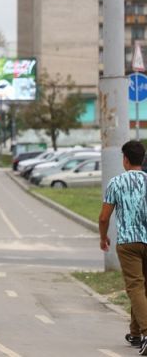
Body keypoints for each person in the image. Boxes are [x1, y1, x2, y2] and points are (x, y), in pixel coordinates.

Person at [99, 140, 147, 353]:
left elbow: (103, 218)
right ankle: (135, 333)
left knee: (135, 287)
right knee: (143, 288)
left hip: (128, 243)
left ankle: (146, 332)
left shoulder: (116, 183)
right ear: (142, 159)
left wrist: (103, 238)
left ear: (125, 159)